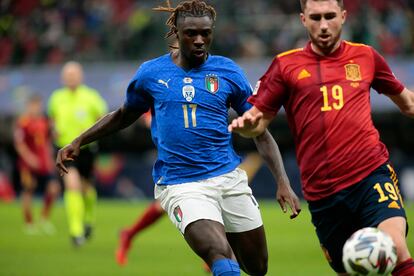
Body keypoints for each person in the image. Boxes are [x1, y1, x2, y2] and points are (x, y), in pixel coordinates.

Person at [56, 1, 301, 275]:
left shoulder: (228, 72)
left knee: (257, 267)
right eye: (191, 33)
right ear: (176, 31)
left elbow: (259, 129)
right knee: (220, 253)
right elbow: (124, 115)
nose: (199, 40)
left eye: (205, 33)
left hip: (229, 178)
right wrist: (79, 140)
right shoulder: (151, 73)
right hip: (181, 184)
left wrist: (282, 180)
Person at [228, 0, 414, 275]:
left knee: (396, 248)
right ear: (303, 19)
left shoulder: (366, 56)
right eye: (316, 18)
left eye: (330, 16)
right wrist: (247, 126)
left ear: (343, 16)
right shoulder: (285, 66)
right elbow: (258, 123)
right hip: (323, 194)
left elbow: (408, 103)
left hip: (370, 175)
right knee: (349, 269)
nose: (324, 25)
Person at [48, 61, 108, 246]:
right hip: (65, 149)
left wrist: (91, 132)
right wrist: (54, 130)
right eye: (68, 75)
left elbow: (103, 119)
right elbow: (52, 119)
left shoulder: (91, 97)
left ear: (80, 76)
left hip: (88, 149)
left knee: (87, 188)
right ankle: (76, 231)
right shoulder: (56, 98)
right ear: (62, 78)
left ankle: (88, 219)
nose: (71, 78)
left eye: (74, 74)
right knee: (71, 184)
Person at [14, 94, 60, 234]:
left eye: (38, 105)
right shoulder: (23, 122)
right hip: (27, 164)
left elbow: (49, 140)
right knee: (29, 189)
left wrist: (50, 158)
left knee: (54, 188)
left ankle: (44, 219)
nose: (36, 108)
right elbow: (19, 144)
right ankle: (29, 223)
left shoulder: (44, 121)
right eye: (33, 105)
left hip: (44, 162)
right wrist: (29, 158)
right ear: (28, 106)